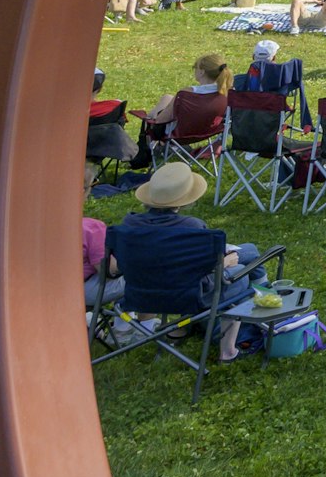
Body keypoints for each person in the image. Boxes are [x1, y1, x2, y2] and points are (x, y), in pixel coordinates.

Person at [101, 162, 264, 360]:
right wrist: (226, 262)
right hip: (190, 296)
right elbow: (205, 269)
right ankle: (230, 350)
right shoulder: (192, 227)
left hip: (141, 293)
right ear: (185, 199)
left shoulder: (129, 225)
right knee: (240, 275)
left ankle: (180, 330)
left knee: (250, 251)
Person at [135, 54, 232, 131]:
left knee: (153, 115)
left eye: (195, 67)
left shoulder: (187, 93)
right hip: (206, 131)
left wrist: (150, 118)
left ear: (202, 72)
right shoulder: (227, 93)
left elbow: (161, 120)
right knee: (167, 97)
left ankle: (150, 142)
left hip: (177, 132)